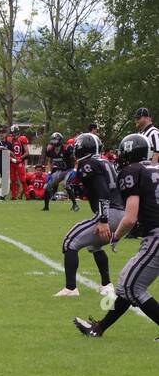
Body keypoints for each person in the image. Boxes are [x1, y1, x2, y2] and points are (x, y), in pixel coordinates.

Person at [74, 135, 159, 339]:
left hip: (156, 236)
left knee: (132, 286)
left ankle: (99, 328)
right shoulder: (154, 169)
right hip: (154, 235)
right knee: (126, 284)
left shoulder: (132, 171)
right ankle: (99, 328)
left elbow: (129, 218)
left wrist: (116, 236)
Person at [52, 133, 122, 299]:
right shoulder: (104, 161)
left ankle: (70, 288)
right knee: (94, 246)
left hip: (109, 213)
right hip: (121, 213)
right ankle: (106, 285)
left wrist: (103, 220)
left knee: (70, 242)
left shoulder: (88, 164)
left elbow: (103, 192)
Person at [42, 132, 71, 210]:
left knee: (66, 185)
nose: (54, 142)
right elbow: (50, 161)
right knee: (47, 186)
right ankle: (46, 206)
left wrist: (74, 169)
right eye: (53, 140)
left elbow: (74, 159)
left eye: (55, 140)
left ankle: (74, 203)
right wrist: (49, 172)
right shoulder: (51, 150)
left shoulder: (66, 149)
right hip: (59, 170)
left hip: (69, 170)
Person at [4, 126, 30, 200]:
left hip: (19, 162)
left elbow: (27, 152)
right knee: (13, 180)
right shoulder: (9, 139)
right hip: (11, 162)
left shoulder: (22, 139)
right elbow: (7, 151)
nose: (14, 135)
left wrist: (20, 158)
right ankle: (13, 196)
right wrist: (10, 158)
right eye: (12, 133)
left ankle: (27, 196)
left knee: (23, 180)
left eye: (15, 133)